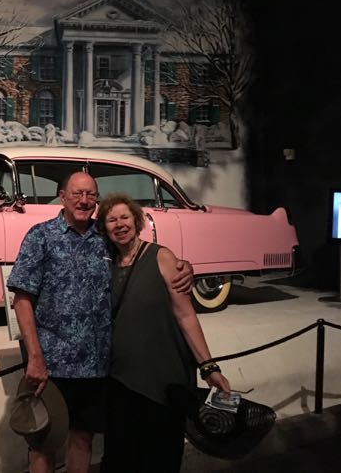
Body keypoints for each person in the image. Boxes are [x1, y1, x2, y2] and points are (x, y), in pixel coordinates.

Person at [6, 172, 195, 473]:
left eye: (91, 195)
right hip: (53, 364)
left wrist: (183, 266)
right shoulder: (40, 236)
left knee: (83, 438)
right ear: (62, 195)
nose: (84, 201)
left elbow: (140, 253)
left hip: (97, 367)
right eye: (77, 194)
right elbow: (22, 299)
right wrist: (35, 357)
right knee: (43, 441)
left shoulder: (104, 238)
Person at [96, 192, 231, 473]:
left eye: (124, 217)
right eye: (111, 220)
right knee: (120, 459)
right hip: (121, 380)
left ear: (137, 220)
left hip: (163, 378)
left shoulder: (162, 257)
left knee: (161, 457)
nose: (119, 224)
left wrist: (208, 366)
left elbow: (186, 315)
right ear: (104, 228)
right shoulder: (105, 264)